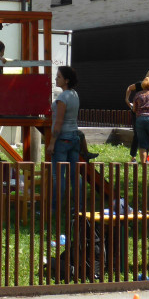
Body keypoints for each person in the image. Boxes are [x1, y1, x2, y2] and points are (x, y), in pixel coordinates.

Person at [47, 65, 81, 210]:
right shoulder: (74, 94)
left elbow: (59, 122)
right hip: (74, 137)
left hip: (62, 139)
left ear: (66, 80)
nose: (56, 78)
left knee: (58, 176)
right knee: (75, 174)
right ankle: (79, 206)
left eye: (59, 76)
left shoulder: (62, 97)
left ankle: (55, 207)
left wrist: (52, 143)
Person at [124, 79, 145, 161]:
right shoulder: (140, 84)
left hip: (147, 114)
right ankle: (133, 156)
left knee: (146, 135)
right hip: (136, 112)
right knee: (137, 134)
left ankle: (145, 158)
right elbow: (129, 88)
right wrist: (127, 100)